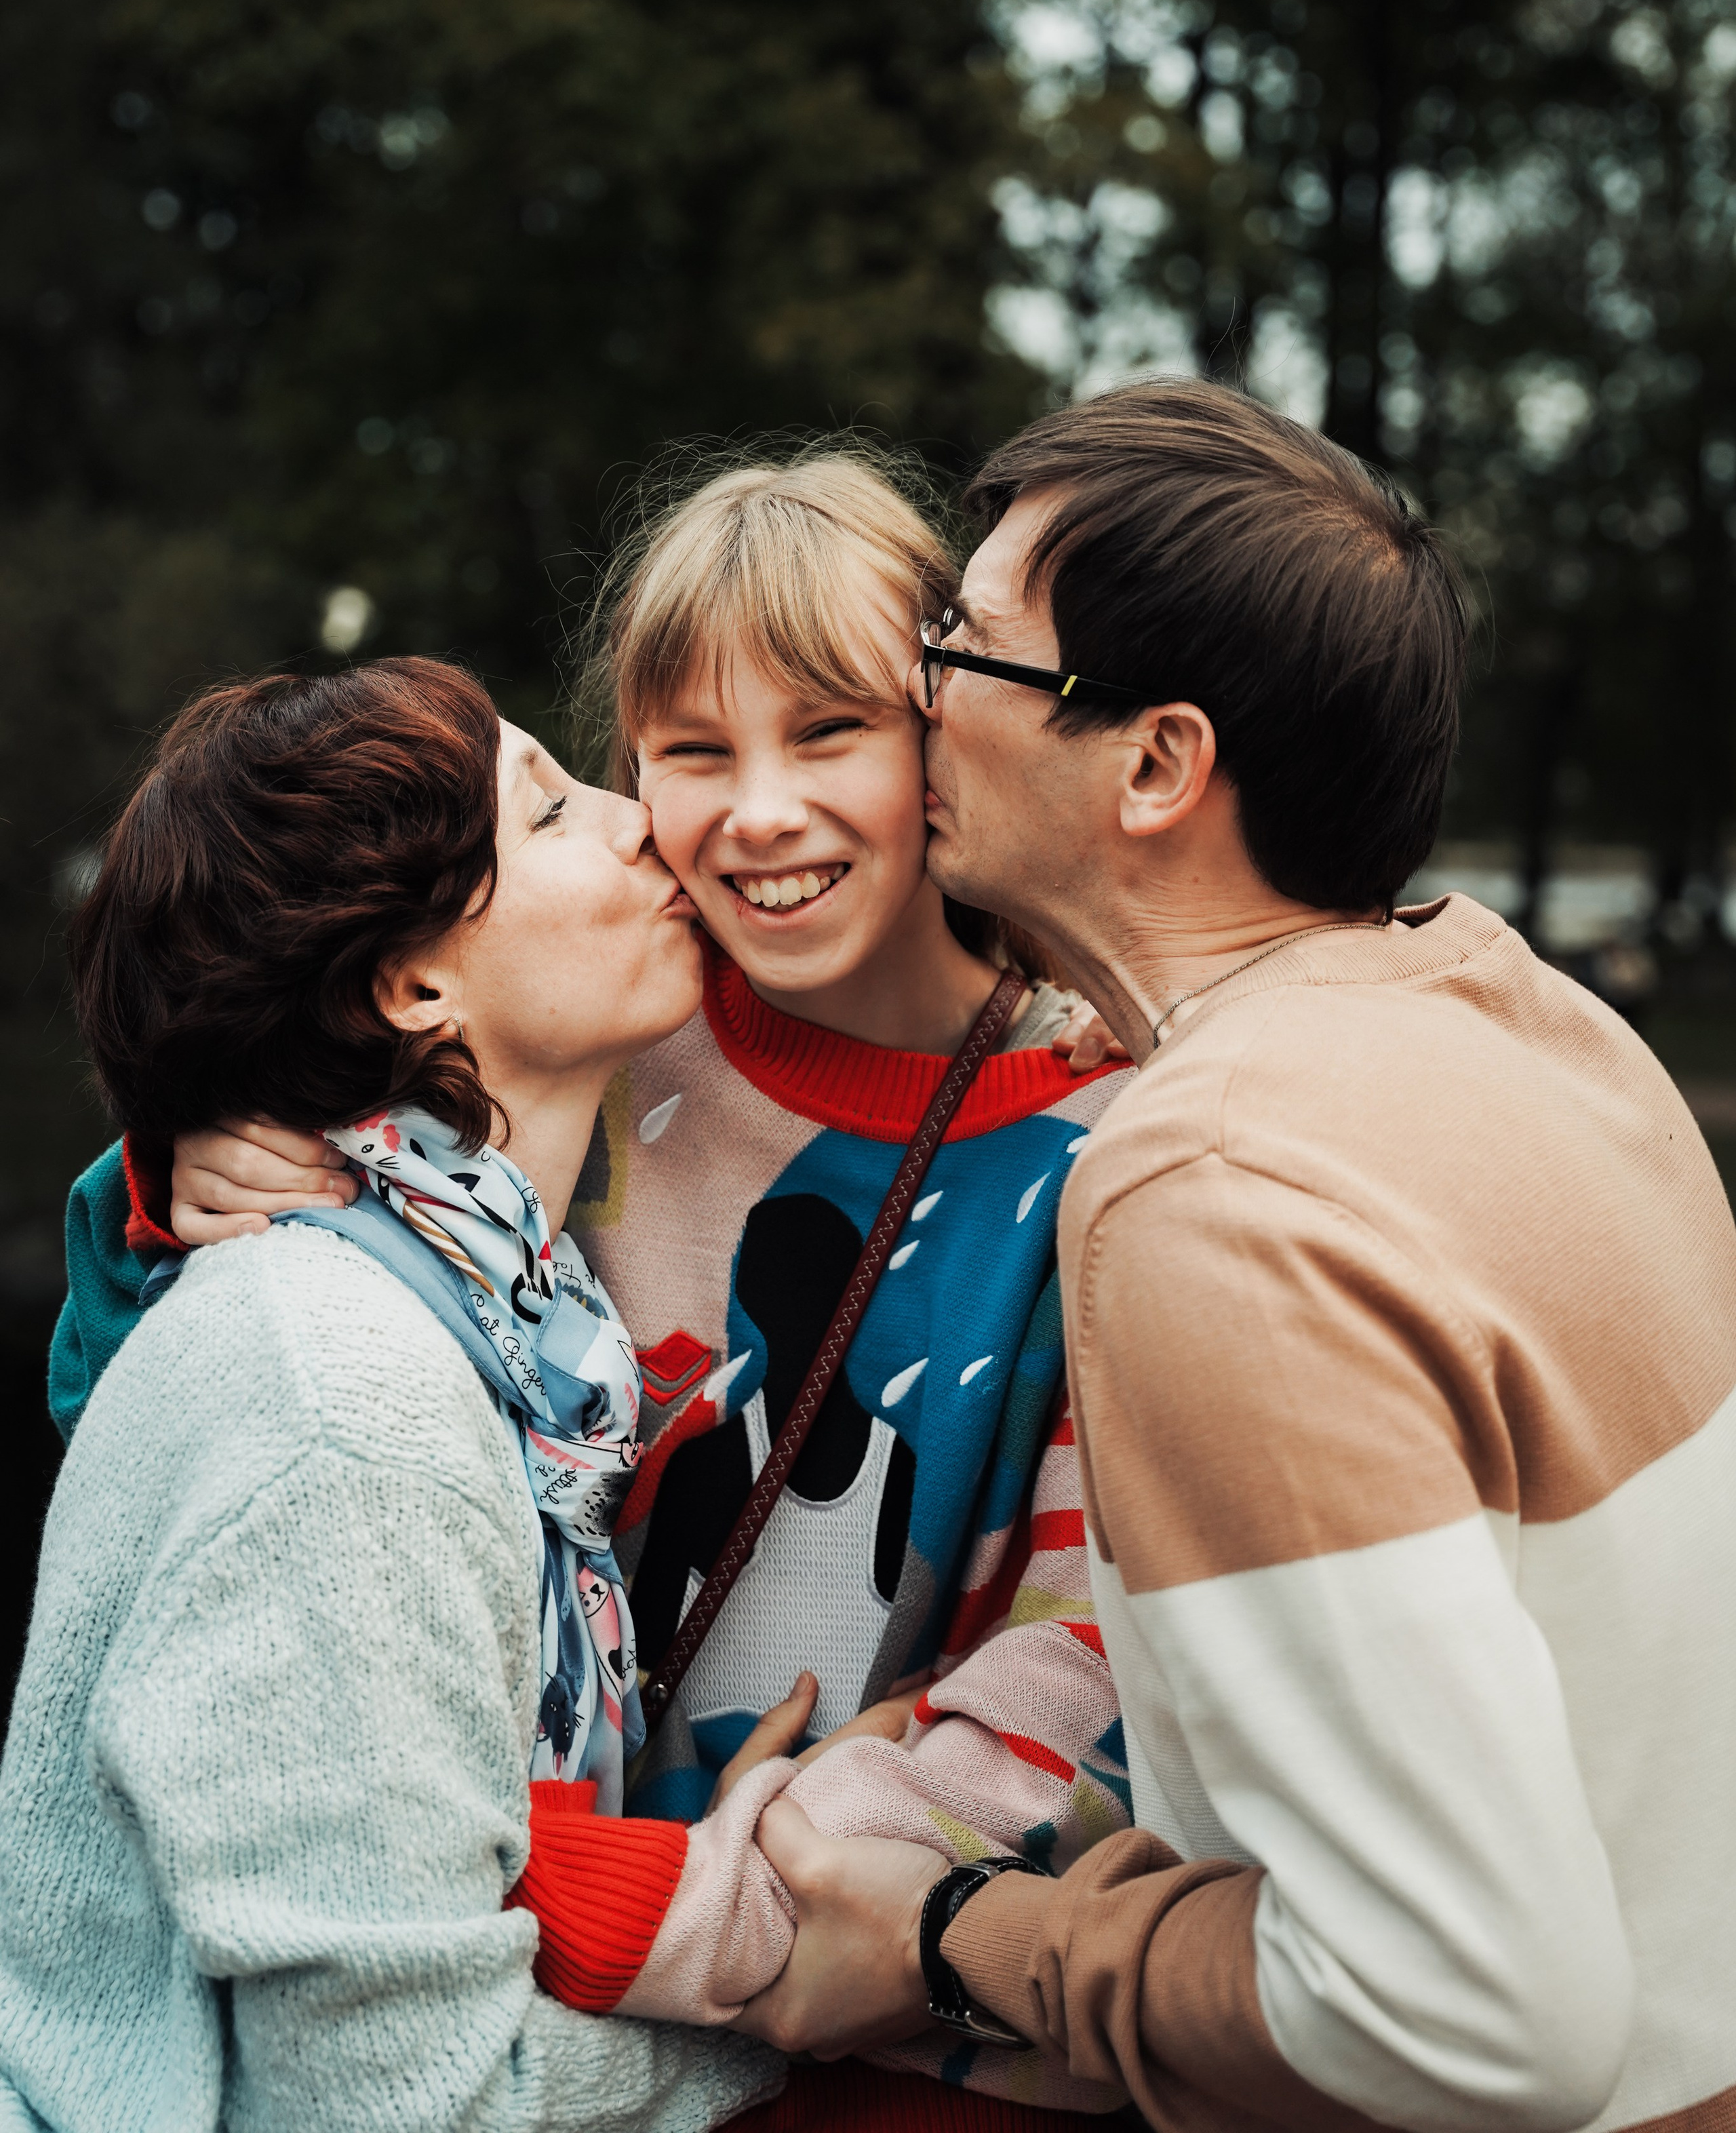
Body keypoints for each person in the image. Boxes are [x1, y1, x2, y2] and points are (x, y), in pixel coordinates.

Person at [51, 454, 1139, 2122]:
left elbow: (1103, 1658)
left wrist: (751, 1890)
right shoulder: (606, 1024)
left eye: (829, 732)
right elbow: (184, 1444)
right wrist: (181, 1179)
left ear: (946, 735)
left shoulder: (1113, 1148)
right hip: (472, 1969)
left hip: (872, 2016)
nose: (753, 813)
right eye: (688, 753)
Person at [734, 379, 1736, 2133]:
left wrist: (953, 1937)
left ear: (1155, 765)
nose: (914, 691)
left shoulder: (1211, 1191)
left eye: (962, 643)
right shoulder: (1535, 1028)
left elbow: (1476, 2013)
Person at [0, 659, 779, 2133]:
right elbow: (408, 2103)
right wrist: (811, 2023)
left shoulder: (498, 1315)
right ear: (416, 987)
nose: (641, 820)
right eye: (549, 811)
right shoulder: (349, 1403)